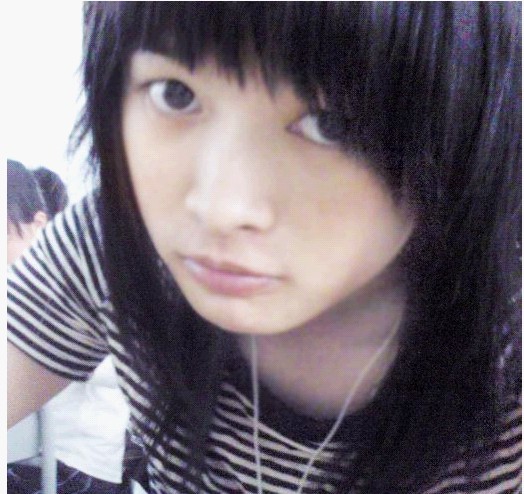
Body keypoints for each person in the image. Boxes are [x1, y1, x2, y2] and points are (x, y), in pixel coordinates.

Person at [7, 3, 521, 493]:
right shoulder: (116, 236)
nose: (219, 207)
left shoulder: (506, 331)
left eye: (330, 125)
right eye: (175, 95)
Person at [7, 159, 131, 494]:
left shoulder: (76, 285)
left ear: (38, 224)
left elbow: (114, 369)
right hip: (26, 457)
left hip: (77, 465)